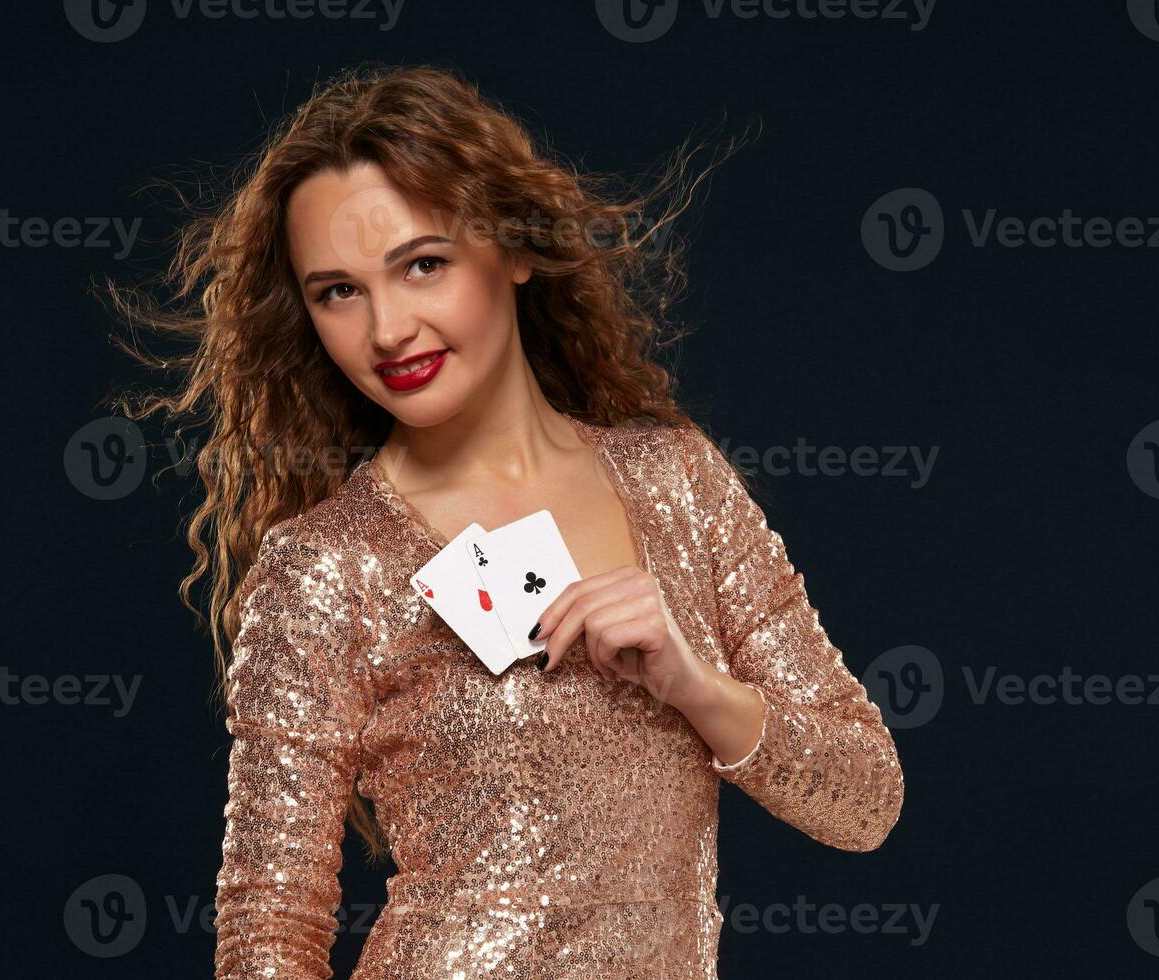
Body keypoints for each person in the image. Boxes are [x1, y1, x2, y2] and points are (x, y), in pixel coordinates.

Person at [104, 63, 904, 979]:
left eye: (423, 265)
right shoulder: (326, 569)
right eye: (339, 291)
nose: (388, 330)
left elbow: (867, 800)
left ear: (516, 251)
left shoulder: (679, 483)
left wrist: (695, 683)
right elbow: (266, 935)